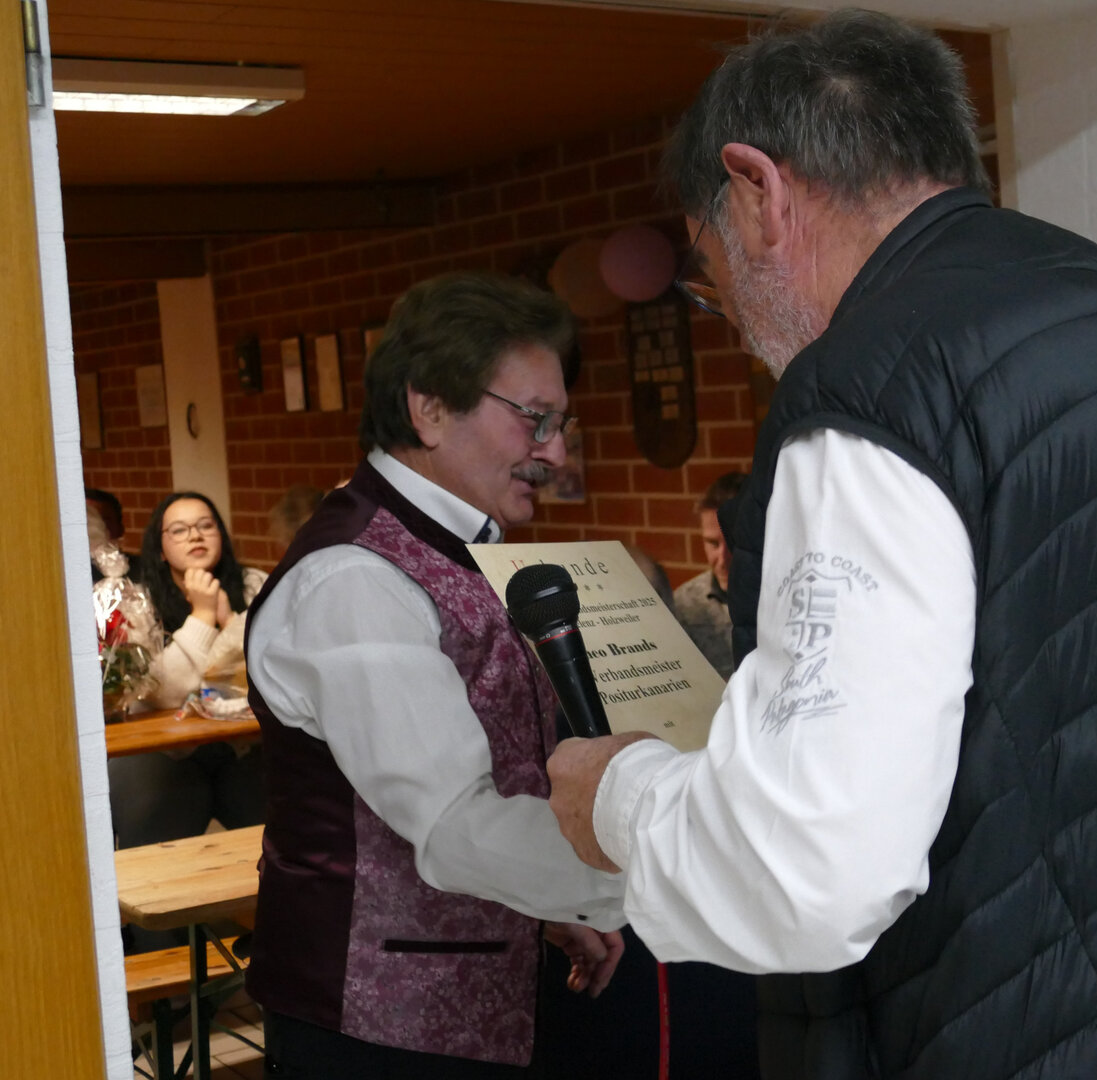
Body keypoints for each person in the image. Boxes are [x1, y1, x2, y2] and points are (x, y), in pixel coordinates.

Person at [547, 11, 1097, 1079]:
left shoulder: (872, 388)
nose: (724, 303)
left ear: (756, 189)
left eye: (707, 263)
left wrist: (622, 797)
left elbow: (810, 868)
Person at [243, 271, 625, 1079]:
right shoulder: (354, 576)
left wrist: (546, 905)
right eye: (534, 419)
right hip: (377, 1030)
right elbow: (454, 822)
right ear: (429, 408)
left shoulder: (452, 548)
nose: (555, 451)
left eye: (561, 423)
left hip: (472, 1005)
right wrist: (663, 875)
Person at [97, 490, 269, 950]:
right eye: (179, 529)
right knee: (154, 855)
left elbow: (270, 669)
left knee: (288, 830)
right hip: (163, 755)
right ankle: (162, 967)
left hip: (244, 746)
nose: (195, 535)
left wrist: (230, 622)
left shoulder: (255, 585)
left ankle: (282, 950)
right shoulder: (134, 601)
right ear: (159, 547)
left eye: (206, 525)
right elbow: (159, 693)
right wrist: (201, 616)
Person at [670, 471, 746, 678]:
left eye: (733, 543)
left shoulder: (785, 599)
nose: (722, 559)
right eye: (712, 543)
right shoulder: (684, 603)